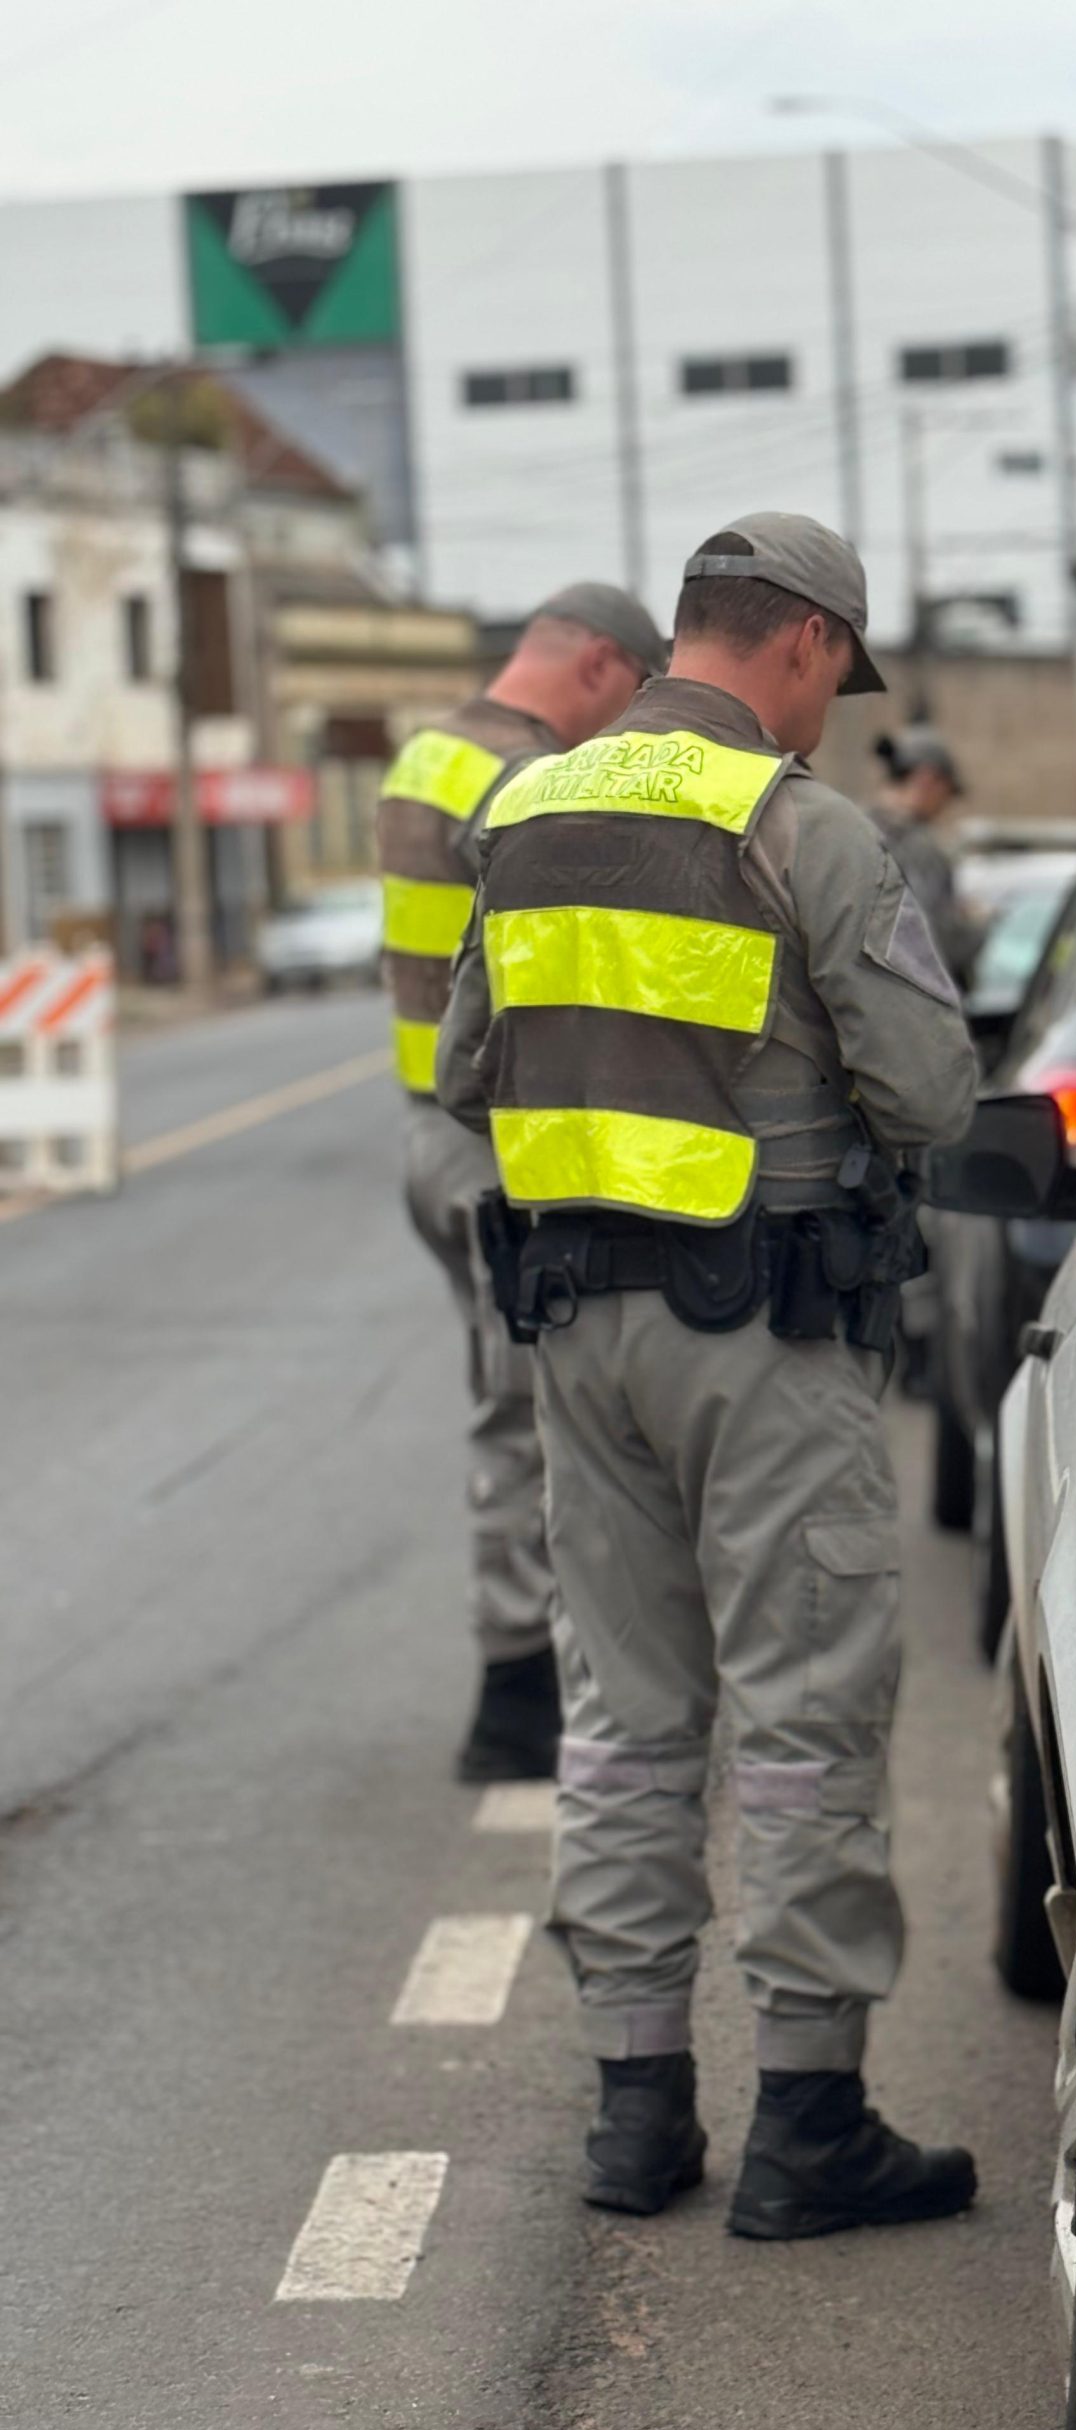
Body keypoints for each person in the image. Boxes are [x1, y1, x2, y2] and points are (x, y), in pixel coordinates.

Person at [436, 513, 982, 2241]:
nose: (829, 709)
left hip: (576, 1336)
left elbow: (465, 1072)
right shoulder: (802, 827)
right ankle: (809, 2121)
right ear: (805, 641)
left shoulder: (525, 811)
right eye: (837, 676)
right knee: (806, 1714)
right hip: (768, 1337)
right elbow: (932, 1097)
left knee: (621, 1719)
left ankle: (635, 2109)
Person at [378, 583, 665, 1784]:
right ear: (597, 662)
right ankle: (515, 1699)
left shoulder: (426, 756)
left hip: (431, 1134)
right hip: (499, 1144)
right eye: (632, 697)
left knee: (513, 1402)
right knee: (526, 1415)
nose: (623, 729)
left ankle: (534, 1670)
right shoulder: (519, 780)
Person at [870, 728, 969, 974]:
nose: (944, 807)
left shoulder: (853, 830)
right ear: (927, 780)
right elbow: (939, 942)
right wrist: (981, 928)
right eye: (947, 794)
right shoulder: (920, 849)